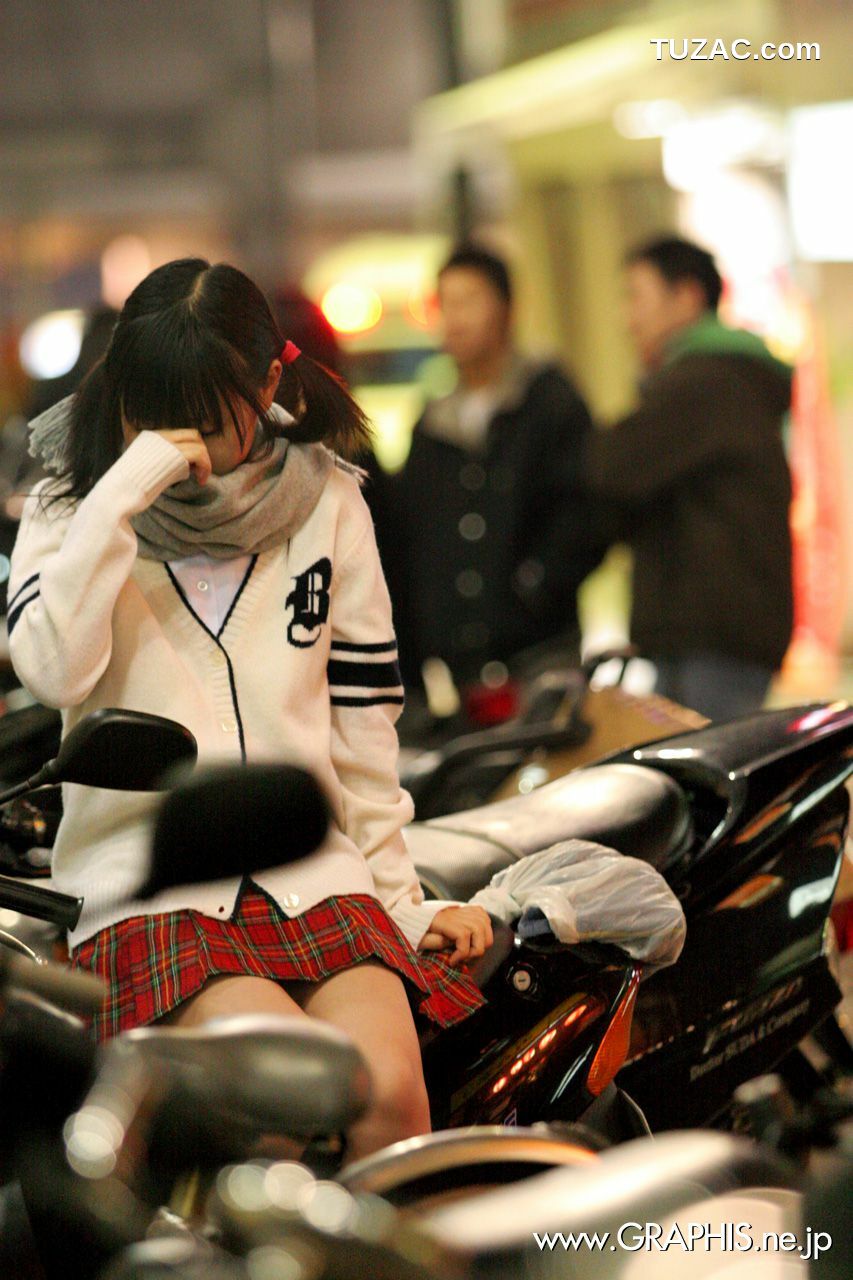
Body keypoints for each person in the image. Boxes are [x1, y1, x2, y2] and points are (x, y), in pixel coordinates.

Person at [7, 257, 493, 1163]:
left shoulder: (329, 498)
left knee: (390, 1099)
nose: (176, 441)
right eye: (149, 413)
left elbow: (362, 725)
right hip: (152, 887)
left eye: (201, 415)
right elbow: (52, 672)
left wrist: (401, 902)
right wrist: (121, 491)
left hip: (314, 872)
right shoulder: (68, 507)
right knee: (281, 1103)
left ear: (268, 383)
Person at [377, 244, 606, 694]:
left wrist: (535, 585)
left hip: (541, 654)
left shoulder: (549, 402)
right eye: (445, 304)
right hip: (461, 670)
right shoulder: (432, 422)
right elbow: (413, 534)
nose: (455, 319)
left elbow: (587, 509)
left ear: (506, 309)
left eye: (469, 301)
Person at [585, 236, 794, 721]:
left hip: (711, 636)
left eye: (636, 296)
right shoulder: (728, 375)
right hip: (719, 633)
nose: (627, 318)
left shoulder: (706, 380)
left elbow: (611, 467)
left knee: (702, 766)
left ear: (686, 296)